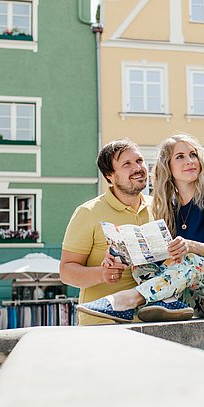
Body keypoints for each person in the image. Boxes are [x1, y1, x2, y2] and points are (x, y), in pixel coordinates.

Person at [77, 133, 204, 323]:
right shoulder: (168, 208)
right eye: (180, 157)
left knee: (192, 260)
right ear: (167, 166)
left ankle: (127, 300)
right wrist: (116, 257)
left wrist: (188, 245)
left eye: (193, 155)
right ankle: (167, 300)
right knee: (141, 263)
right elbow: (164, 261)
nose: (190, 161)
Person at [60, 139, 157, 326]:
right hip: (102, 324)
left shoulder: (159, 206)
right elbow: (66, 271)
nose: (137, 167)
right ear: (109, 176)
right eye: (126, 164)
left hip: (151, 322)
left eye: (139, 160)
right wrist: (102, 273)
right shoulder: (88, 212)